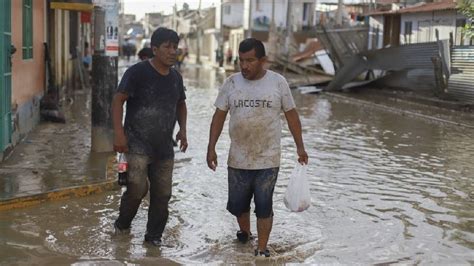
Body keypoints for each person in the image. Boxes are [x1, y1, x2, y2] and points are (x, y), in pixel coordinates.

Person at [206, 38, 308, 258]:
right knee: (238, 206)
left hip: (268, 158)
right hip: (238, 158)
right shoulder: (231, 83)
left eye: (250, 60)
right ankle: (245, 232)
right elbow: (218, 117)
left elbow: (292, 116)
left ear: (263, 61)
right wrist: (211, 147)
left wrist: (300, 147)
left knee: (264, 205)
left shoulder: (278, 83)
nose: (245, 66)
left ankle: (261, 249)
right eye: (241, 60)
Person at [112, 27, 188, 246]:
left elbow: (181, 104)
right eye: (167, 47)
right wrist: (118, 134)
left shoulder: (175, 77)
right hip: (136, 144)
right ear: (155, 49)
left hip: (164, 147)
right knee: (136, 189)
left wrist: (183, 130)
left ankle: (153, 239)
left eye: (175, 47)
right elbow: (118, 101)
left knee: (163, 195)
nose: (173, 51)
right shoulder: (137, 73)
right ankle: (122, 226)